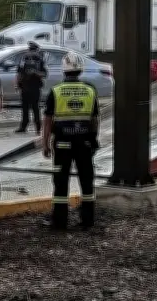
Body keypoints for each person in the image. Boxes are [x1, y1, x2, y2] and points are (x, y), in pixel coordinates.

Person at [42, 51, 100, 230]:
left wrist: (45, 143)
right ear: (80, 70)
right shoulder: (90, 90)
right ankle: (88, 221)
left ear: (63, 70)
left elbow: (48, 121)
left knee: (60, 183)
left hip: (62, 145)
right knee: (87, 182)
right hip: (84, 144)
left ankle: (59, 222)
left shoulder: (56, 91)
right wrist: (93, 139)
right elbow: (95, 120)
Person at [15, 41, 48, 134]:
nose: (31, 52)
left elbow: (44, 74)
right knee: (26, 108)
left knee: (34, 108)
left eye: (32, 50)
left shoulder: (39, 60)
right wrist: (17, 84)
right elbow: (19, 73)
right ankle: (24, 126)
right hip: (26, 86)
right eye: (30, 50)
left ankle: (38, 127)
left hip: (34, 87)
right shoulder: (24, 59)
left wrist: (35, 72)